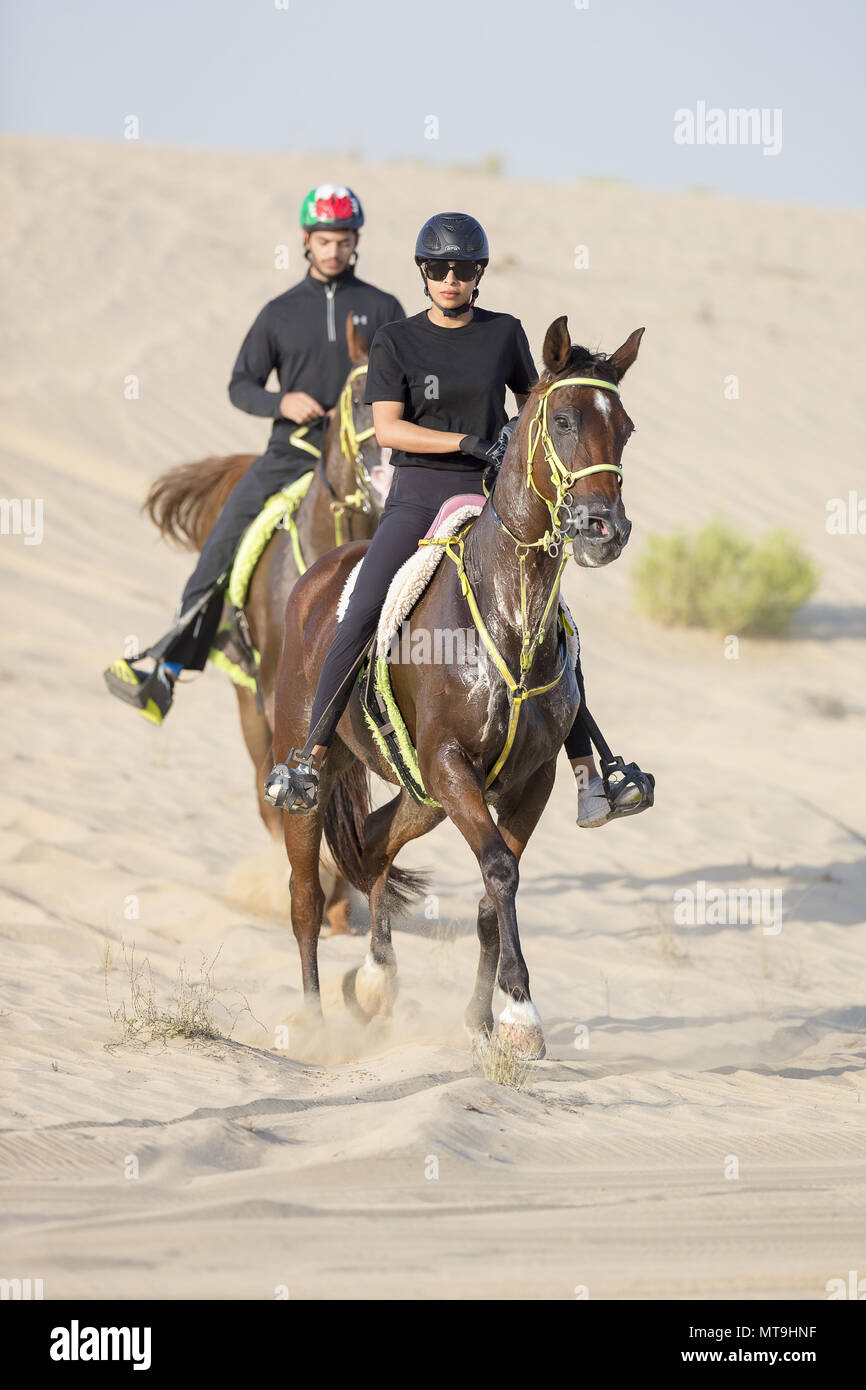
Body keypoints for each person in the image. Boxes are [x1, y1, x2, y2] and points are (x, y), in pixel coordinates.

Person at [265, 211, 647, 828]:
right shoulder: (396, 340)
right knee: (362, 608)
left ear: (479, 276)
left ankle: (595, 772)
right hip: (418, 495)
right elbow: (387, 427)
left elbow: (537, 408)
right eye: (438, 268)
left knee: (551, 629)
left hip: (488, 495)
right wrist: (467, 442)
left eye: (463, 270)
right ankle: (309, 756)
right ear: (423, 273)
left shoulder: (504, 333)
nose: (450, 279)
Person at [104, 183, 404, 724]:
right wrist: (281, 400)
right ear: (306, 242)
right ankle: (165, 670)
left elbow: (400, 381)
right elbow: (240, 385)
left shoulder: (383, 307)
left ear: (355, 242)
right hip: (290, 454)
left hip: (369, 458)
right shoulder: (279, 313)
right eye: (323, 240)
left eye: (342, 240)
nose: (332, 250)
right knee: (224, 545)